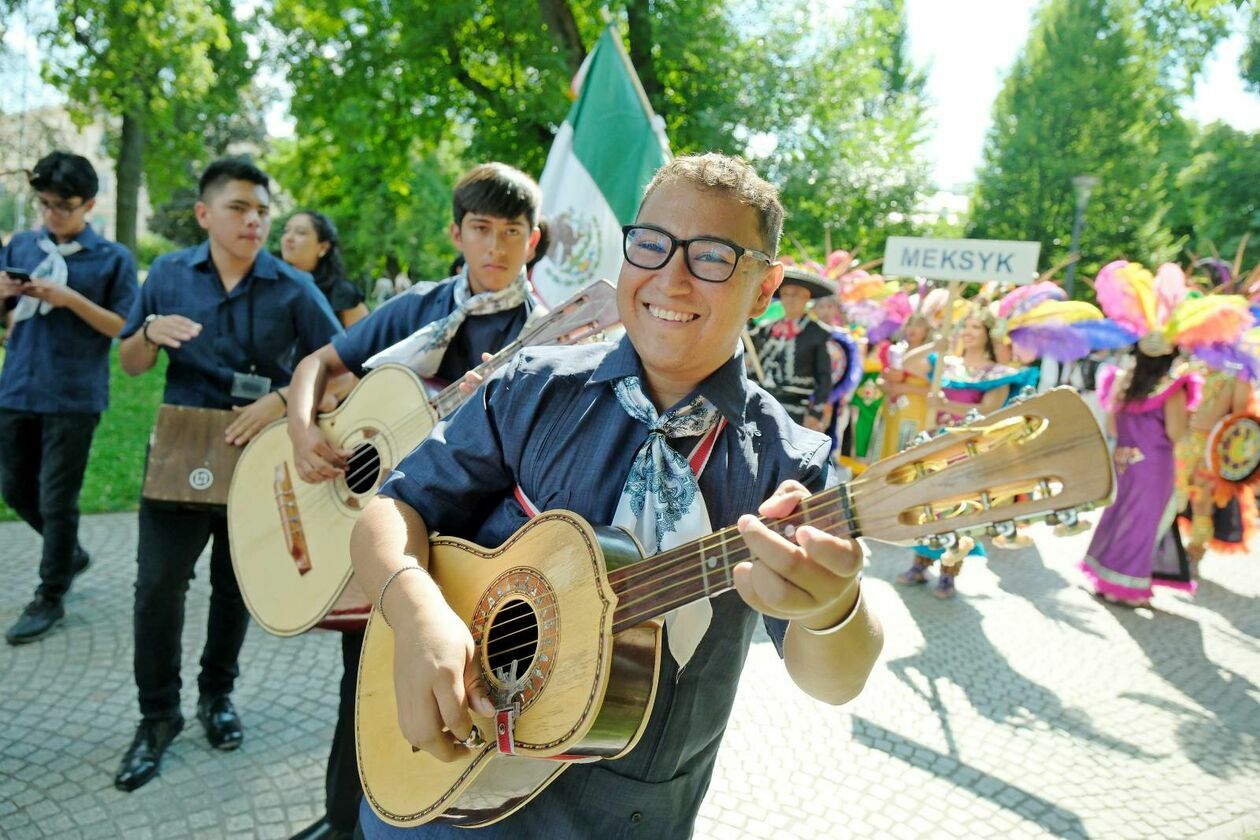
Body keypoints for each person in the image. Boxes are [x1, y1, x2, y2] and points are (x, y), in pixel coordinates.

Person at [350, 153, 882, 837]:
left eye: (713, 256)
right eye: (652, 245)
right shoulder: (532, 387)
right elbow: (392, 510)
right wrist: (417, 612)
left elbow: (833, 681)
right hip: (438, 790)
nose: (672, 277)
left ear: (763, 287)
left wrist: (836, 607)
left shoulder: (787, 468)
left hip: (616, 815)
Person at [283, 161, 543, 840]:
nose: (495, 247)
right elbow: (318, 364)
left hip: (471, 553)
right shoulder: (422, 308)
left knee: (455, 695)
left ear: (533, 241)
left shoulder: (550, 338)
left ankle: (430, 813)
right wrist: (304, 429)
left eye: (511, 232)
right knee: (362, 688)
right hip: (387, 538)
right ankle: (348, 822)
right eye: (481, 229)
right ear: (457, 232)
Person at [112, 158, 343, 792]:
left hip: (259, 460)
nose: (255, 221)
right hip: (182, 454)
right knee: (157, 586)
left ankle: (218, 695)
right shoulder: (166, 274)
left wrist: (281, 398)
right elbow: (130, 362)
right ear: (205, 214)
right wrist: (151, 333)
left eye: (263, 211)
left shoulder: (293, 287)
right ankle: (157, 715)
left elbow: (341, 371)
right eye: (240, 208)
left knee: (235, 586)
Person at [0, 151, 139, 645]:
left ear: (89, 204)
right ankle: (70, 553)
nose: (52, 214)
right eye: (44, 204)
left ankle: (50, 593)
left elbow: (125, 326)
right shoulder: (22, 243)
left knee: (57, 499)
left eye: (63, 205)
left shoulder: (113, 259)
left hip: (74, 393)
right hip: (18, 383)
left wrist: (69, 299)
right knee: (14, 487)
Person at [895, 309, 1023, 598]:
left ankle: (949, 573)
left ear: (988, 334)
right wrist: (936, 345)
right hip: (936, 446)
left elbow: (989, 410)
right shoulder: (948, 363)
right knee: (926, 506)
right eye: (965, 325)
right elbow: (908, 362)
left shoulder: (997, 373)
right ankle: (920, 562)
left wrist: (945, 406)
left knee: (957, 509)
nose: (968, 331)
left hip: (969, 450)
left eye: (976, 326)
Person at [1081, 350, 1197, 606]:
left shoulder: (1122, 382)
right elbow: (1176, 432)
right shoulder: (1171, 389)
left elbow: (1112, 427)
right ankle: (1125, 587)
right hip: (1154, 467)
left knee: (1119, 517)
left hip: (1124, 461)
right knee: (1144, 524)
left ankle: (1106, 579)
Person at [748, 266, 837, 431]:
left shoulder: (818, 333)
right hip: (760, 405)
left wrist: (816, 413)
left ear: (806, 297)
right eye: (785, 294)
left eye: (795, 294)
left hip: (796, 412)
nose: (790, 299)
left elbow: (824, 378)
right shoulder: (766, 330)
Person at [281, 210, 370, 328]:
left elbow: (366, 342)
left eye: (300, 232)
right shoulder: (273, 285)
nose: (288, 238)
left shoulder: (342, 293)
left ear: (323, 247)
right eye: (286, 231)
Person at [877, 313, 933, 460]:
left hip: (915, 411)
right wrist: (886, 385)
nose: (912, 329)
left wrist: (905, 388)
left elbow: (935, 389)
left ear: (926, 331)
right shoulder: (895, 351)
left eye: (918, 325)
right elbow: (880, 379)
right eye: (909, 324)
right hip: (891, 409)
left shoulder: (930, 356)